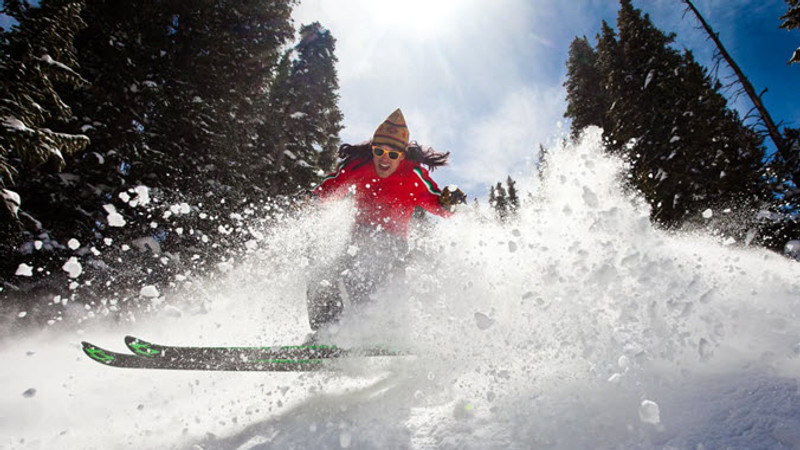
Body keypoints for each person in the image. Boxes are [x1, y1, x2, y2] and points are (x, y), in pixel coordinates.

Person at [306, 108, 465, 334]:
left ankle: (378, 328)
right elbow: (333, 186)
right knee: (323, 275)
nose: (384, 158)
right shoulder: (359, 166)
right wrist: (313, 198)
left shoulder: (413, 175)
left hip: (392, 245)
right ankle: (326, 332)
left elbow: (436, 202)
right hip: (357, 239)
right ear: (372, 149)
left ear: (402, 155)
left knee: (366, 273)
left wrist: (449, 202)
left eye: (392, 154)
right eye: (379, 151)